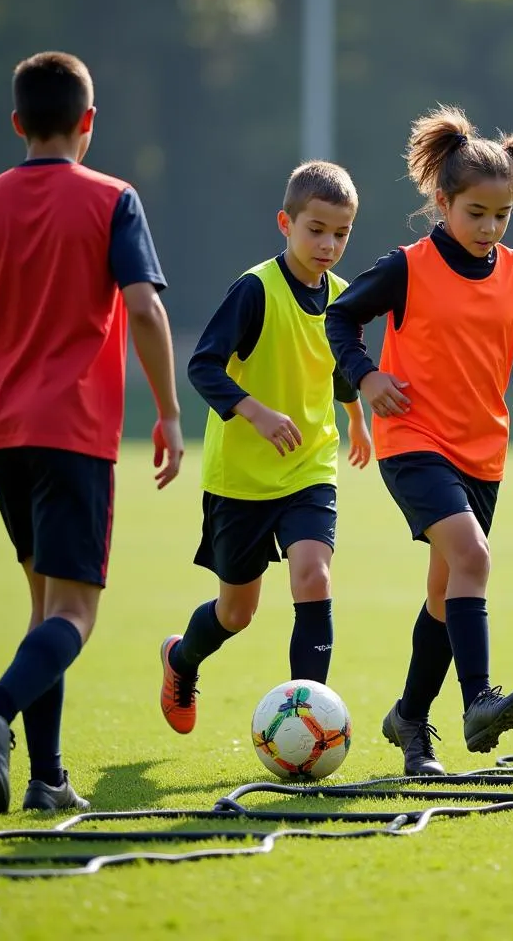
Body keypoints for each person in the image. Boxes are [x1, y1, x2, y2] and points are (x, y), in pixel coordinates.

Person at [325, 105, 513, 776]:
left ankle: (409, 721)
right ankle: (477, 700)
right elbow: (340, 317)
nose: (489, 228)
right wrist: (367, 376)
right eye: (476, 214)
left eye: (502, 216)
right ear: (443, 203)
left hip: (482, 451)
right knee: (474, 556)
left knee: (446, 594)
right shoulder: (407, 266)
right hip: (412, 439)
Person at [0, 51, 184, 813]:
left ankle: (47, 780)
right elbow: (143, 307)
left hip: (0, 433)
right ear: (88, 123)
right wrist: (168, 412)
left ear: (17, 124)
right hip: (73, 431)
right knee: (75, 612)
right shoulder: (113, 199)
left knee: (44, 607)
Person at [159, 161, 371, 734]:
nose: (329, 244)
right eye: (317, 229)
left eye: (341, 233)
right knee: (237, 612)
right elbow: (201, 366)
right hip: (242, 480)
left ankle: (312, 720)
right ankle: (180, 660)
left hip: (309, 466)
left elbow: (337, 366)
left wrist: (354, 418)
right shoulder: (255, 290)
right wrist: (253, 411)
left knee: (313, 577)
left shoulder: (343, 298)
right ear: (286, 222)